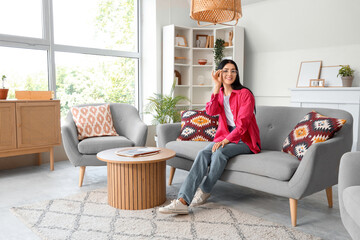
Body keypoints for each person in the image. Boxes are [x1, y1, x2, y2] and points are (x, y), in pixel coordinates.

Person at [159, 59, 261, 214]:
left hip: (245, 139)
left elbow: (243, 125)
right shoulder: (220, 94)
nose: (230, 74)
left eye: (233, 71)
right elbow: (211, 112)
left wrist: (226, 141)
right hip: (225, 136)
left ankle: (205, 189)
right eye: (225, 70)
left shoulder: (245, 94)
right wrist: (215, 87)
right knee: (203, 153)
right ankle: (182, 201)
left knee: (219, 152)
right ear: (219, 73)